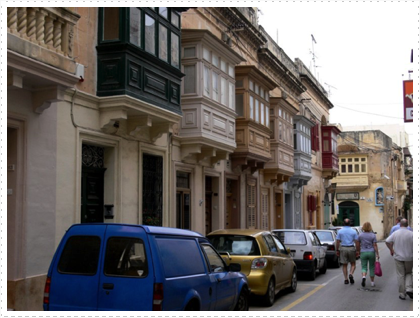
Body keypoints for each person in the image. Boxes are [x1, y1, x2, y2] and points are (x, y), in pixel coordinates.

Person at [385, 218, 413, 300]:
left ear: (400, 224)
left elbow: (387, 241)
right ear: (407, 225)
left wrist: (391, 249)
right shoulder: (412, 234)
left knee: (401, 275)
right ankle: (409, 288)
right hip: (409, 257)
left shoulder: (395, 233)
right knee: (408, 273)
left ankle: (402, 293)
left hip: (398, 257)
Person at [336, 218, 359, 284]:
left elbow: (338, 241)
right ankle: (351, 273)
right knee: (353, 263)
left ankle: (346, 279)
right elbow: (356, 241)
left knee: (344, 265)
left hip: (343, 248)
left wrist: (337, 250)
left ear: (343, 223)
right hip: (351, 248)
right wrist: (357, 251)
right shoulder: (353, 231)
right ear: (350, 223)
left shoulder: (340, 231)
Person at [356, 222, 379, 288]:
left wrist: (358, 251)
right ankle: (372, 283)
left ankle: (363, 277)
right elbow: (375, 245)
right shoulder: (373, 235)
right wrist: (377, 253)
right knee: (372, 267)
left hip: (363, 252)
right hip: (371, 252)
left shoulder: (360, 235)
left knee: (364, 267)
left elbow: (357, 244)